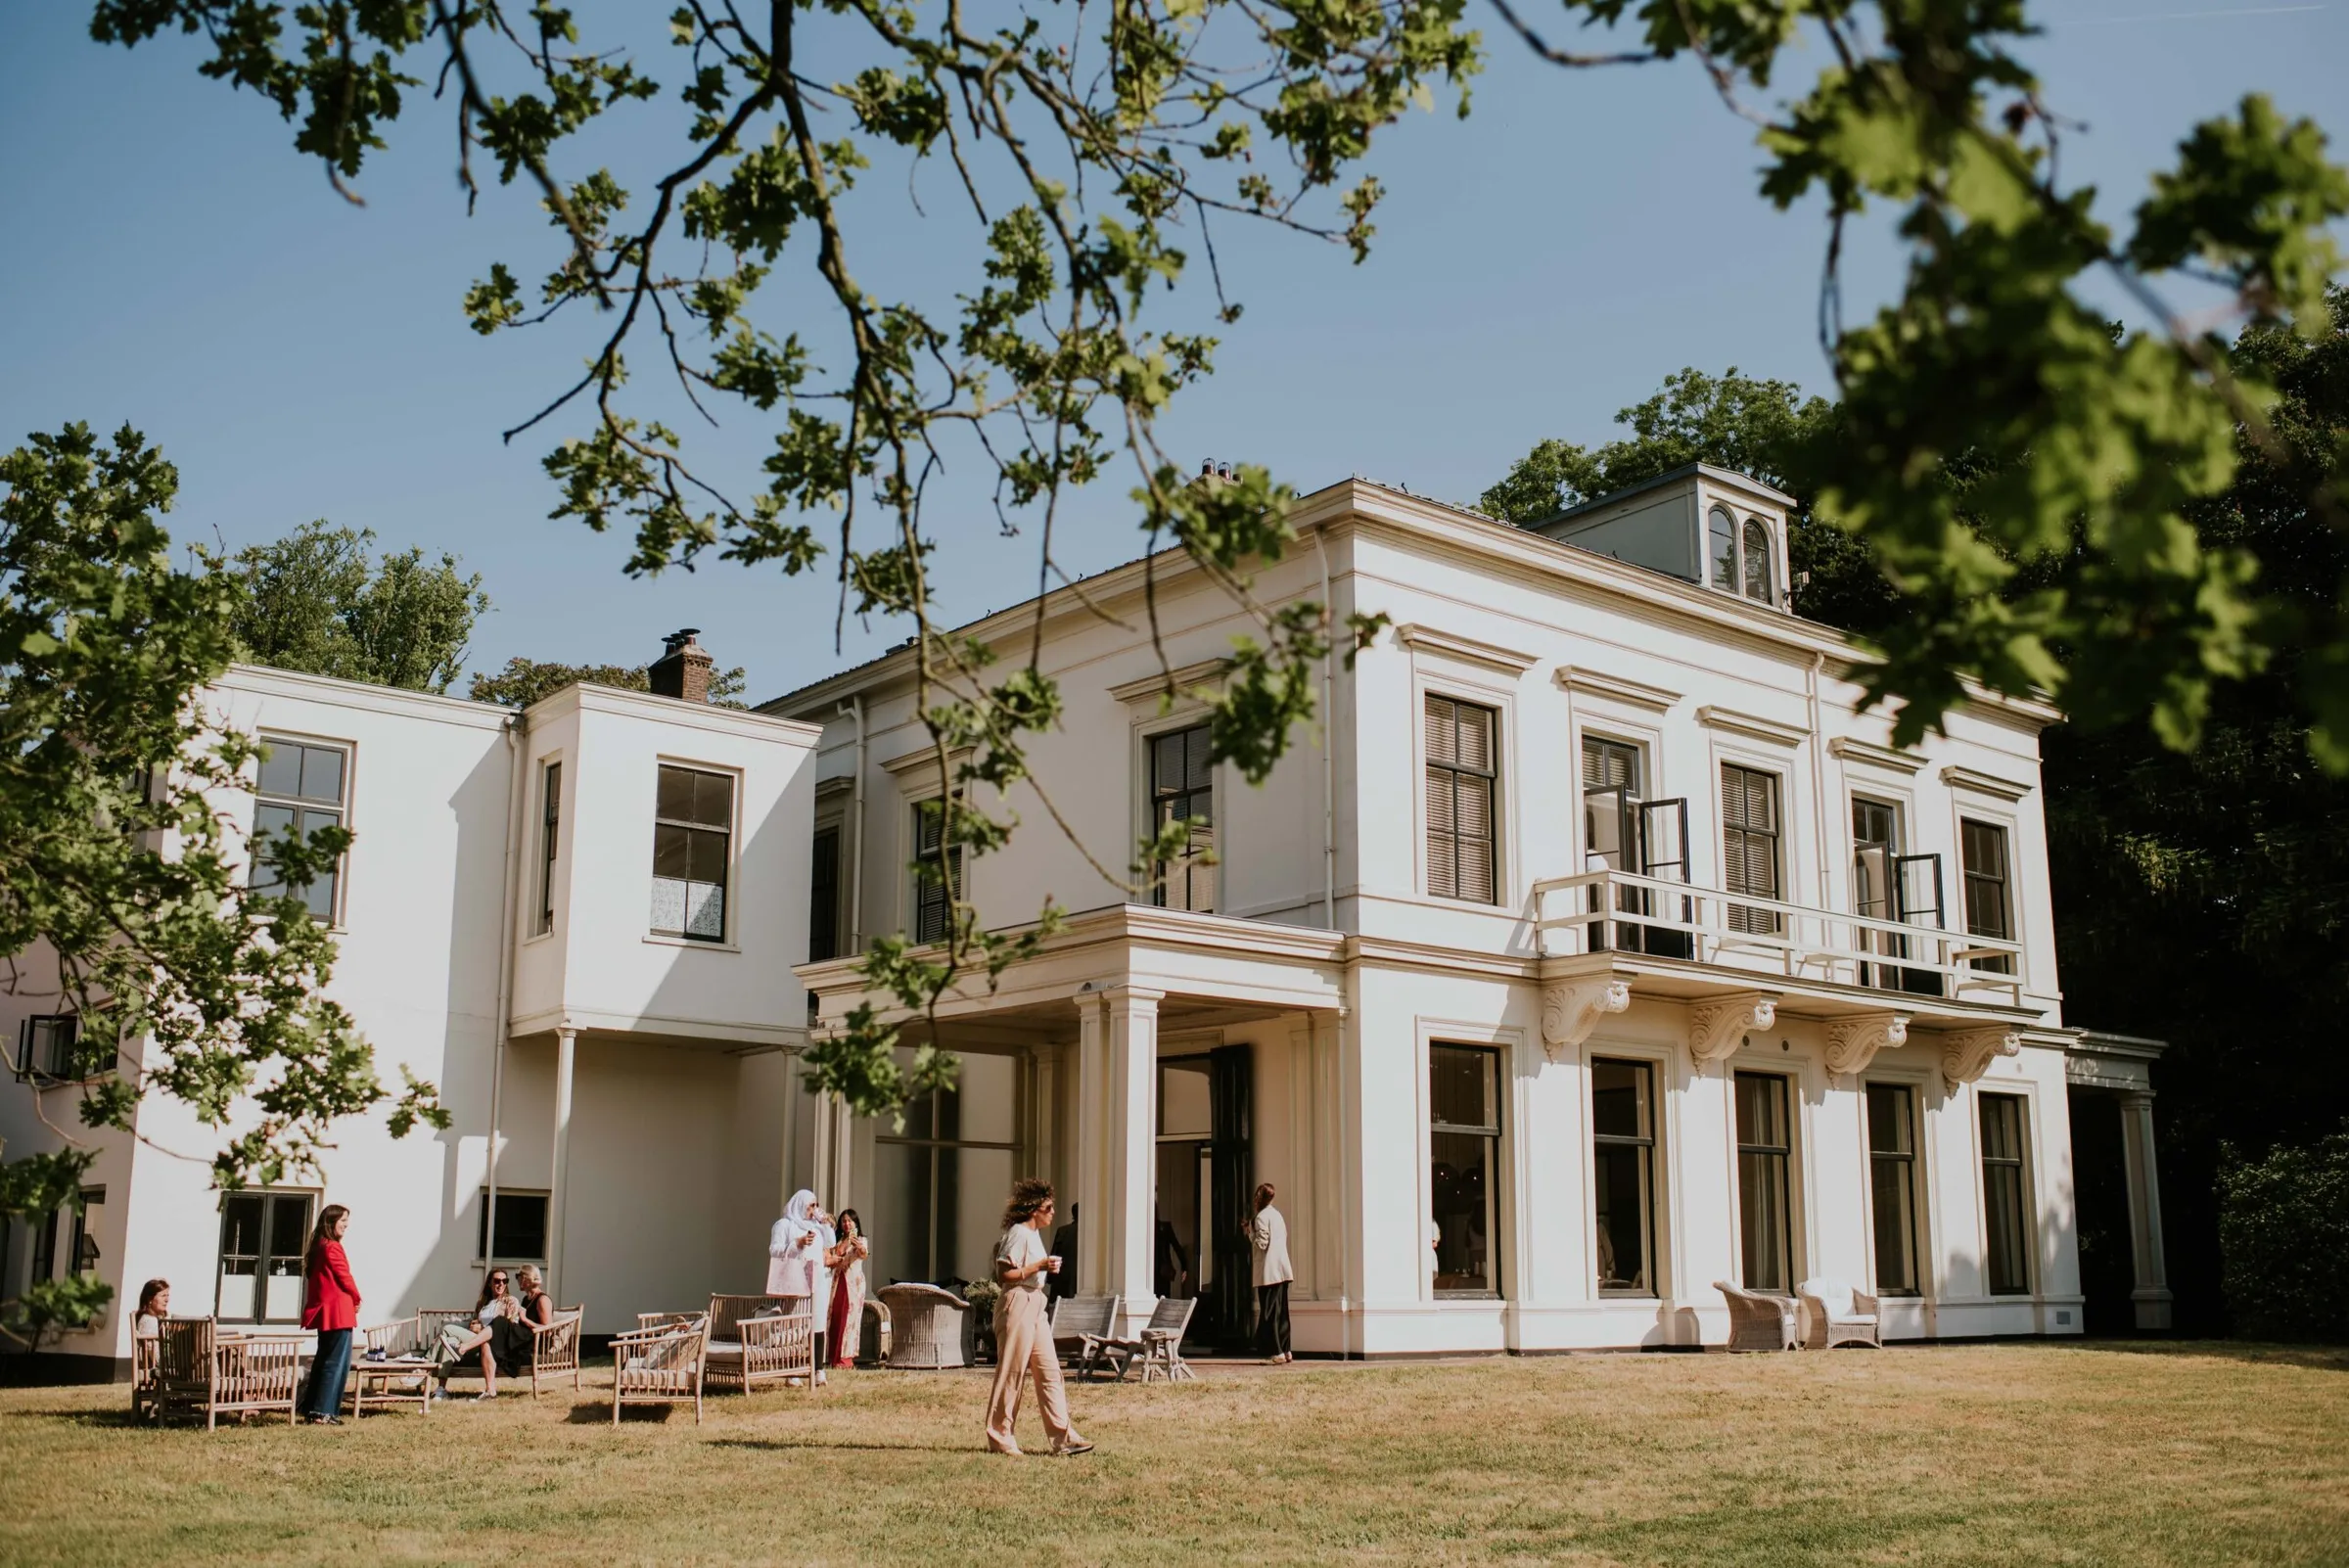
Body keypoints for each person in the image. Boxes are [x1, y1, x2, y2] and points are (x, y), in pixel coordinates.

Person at [984, 1178, 1091, 1458]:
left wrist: (1044, 1269)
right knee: (1012, 1372)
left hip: (1036, 1304)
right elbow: (1003, 1274)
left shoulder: (1034, 1235)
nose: (1053, 1212)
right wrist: (1039, 1266)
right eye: (1049, 1207)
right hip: (1017, 1301)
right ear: (1035, 1210)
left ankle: (1064, 1437)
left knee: (1050, 1372)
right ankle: (1000, 1435)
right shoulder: (1018, 1233)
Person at [298, 1204, 360, 1425]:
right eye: (342, 1221)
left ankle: (313, 1408)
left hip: (327, 1313)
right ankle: (323, 1411)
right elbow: (344, 1276)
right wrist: (357, 1297)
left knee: (324, 1359)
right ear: (331, 1222)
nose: (345, 1225)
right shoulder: (332, 1247)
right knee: (336, 1362)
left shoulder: (319, 1246)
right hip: (338, 1312)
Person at [437, 1269, 515, 1400]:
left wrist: (482, 1328)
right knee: (448, 1341)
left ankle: (425, 1362)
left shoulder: (509, 1301)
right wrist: (473, 1324)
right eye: (497, 1281)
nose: (501, 1284)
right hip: (475, 1340)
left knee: (447, 1328)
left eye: (504, 1281)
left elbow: (507, 1325)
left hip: (491, 1343)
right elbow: (474, 1321)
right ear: (490, 1283)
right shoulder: (483, 1303)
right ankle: (441, 1389)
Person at [1251, 1182, 1294, 1363]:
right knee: (1282, 1311)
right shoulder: (1277, 1215)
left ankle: (1275, 1351)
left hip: (1269, 1272)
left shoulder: (1261, 1217)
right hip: (1283, 1270)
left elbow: (1262, 1243)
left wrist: (1250, 1233)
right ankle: (1286, 1349)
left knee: (1269, 1312)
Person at [825, 1209, 870, 1369]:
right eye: (844, 1221)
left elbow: (863, 1253)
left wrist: (859, 1247)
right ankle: (832, 1356)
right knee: (835, 1316)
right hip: (837, 1282)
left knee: (849, 1320)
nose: (847, 1224)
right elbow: (833, 1255)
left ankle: (845, 1358)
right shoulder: (838, 1240)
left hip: (853, 1284)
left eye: (850, 1221)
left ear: (855, 1223)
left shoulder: (861, 1240)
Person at [492, 1265, 554, 1376]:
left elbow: (548, 1330)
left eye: (518, 1276)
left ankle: (494, 1354)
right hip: (524, 1338)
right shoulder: (526, 1299)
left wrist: (525, 1320)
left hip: (536, 1342)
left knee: (500, 1322)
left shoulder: (542, 1299)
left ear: (526, 1278)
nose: (517, 1280)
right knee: (501, 1322)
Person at [1046, 1202, 1080, 1303]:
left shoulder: (1062, 1230)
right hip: (1078, 1284)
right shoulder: (1088, 1231)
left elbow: (1054, 1255)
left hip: (1061, 1284)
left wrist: (1050, 1278)